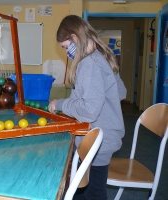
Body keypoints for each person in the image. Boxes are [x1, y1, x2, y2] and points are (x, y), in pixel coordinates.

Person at [48, 15, 126, 200]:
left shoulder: (90, 64)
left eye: (66, 47)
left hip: (99, 140)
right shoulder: (100, 57)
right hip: (102, 136)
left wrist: (61, 104)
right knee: (82, 188)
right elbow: (120, 92)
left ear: (75, 38)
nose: (67, 52)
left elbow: (90, 110)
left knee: (94, 192)